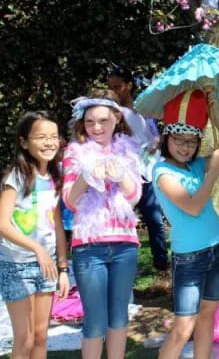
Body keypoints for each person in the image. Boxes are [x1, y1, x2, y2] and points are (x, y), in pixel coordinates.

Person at [152, 87, 219, 359]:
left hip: (217, 249)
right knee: (183, 327)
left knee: (206, 319)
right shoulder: (162, 172)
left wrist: (215, 114)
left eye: (191, 141)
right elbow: (192, 206)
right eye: (179, 138)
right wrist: (213, 171)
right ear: (167, 138)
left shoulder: (195, 165)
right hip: (190, 257)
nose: (185, 146)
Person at [62, 89, 142, 359]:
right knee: (95, 321)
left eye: (103, 121)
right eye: (89, 122)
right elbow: (71, 202)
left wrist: (120, 174)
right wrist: (86, 175)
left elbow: (134, 197)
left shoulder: (127, 151)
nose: (96, 127)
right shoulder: (74, 153)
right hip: (89, 247)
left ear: (117, 118)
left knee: (119, 317)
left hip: (125, 246)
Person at [0, 111, 69, 358]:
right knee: (25, 340)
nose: (50, 142)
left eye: (54, 136)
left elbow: (57, 224)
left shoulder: (54, 177)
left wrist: (63, 269)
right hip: (16, 265)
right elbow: (2, 224)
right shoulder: (15, 177)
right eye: (41, 137)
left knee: (41, 337)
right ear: (24, 142)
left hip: (47, 265)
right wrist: (37, 249)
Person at [107, 66, 168, 271]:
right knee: (122, 217)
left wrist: (157, 142)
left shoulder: (143, 108)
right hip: (126, 174)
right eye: (111, 87)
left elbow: (152, 134)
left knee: (154, 219)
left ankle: (161, 263)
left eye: (118, 86)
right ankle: (121, 262)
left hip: (149, 170)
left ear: (129, 86)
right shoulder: (112, 113)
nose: (114, 91)